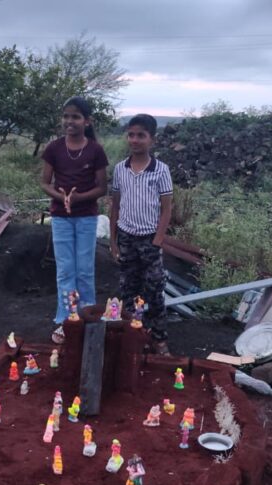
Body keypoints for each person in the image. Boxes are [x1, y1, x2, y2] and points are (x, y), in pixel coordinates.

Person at [40, 96, 109, 344]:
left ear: (87, 121)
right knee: (65, 269)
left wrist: (79, 198)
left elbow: (102, 187)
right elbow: (44, 183)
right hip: (61, 217)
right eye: (66, 116)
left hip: (87, 217)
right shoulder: (54, 148)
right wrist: (61, 196)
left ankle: (87, 315)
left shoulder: (95, 150)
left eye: (76, 117)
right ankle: (66, 319)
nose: (70, 121)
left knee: (85, 269)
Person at [108, 114, 173, 355]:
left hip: (149, 239)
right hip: (126, 237)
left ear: (152, 139)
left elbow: (166, 209)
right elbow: (115, 206)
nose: (135, 140)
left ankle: (159, 339)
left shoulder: (161, 170)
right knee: (128, 289)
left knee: (154, 289)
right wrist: (113, 241)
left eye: (141, 136)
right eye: (131, 135)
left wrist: (157, 240)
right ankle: (133, 337)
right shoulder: (120, 169)